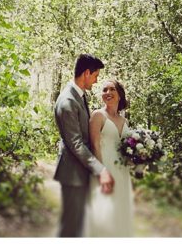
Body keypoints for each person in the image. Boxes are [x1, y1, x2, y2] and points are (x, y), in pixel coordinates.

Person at [54, 54, 114, 237]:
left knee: (78, 226)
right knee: (70, 228)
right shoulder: (68, 101)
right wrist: (101, 169)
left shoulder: (78, 96)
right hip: (72, 174)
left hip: (79, 172)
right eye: (95, 76)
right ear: (86, 73)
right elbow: (76, 143)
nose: (96, 81)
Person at [84, 79, 134, 237]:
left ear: (120, 95)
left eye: (112, 89)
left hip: (122, 171)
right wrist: (101, 172)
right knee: (104, 211)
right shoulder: (98, 115)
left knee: (121, 210)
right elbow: (95, 146)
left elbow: (127, 148)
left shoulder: (124, 120)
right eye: (104, 90)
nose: (107, 93)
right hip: (105, 168)